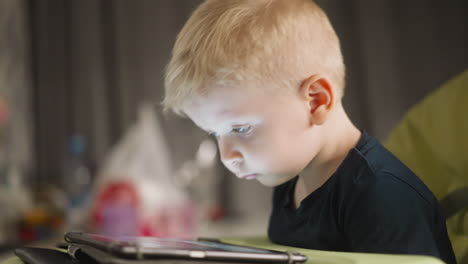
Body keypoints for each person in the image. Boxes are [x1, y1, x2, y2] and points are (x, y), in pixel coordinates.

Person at [162, 0, 456, 263]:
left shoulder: (381, 195)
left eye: (240, 128)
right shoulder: (290, 179)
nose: (227, 157)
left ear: (316, 100)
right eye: (215, 134)